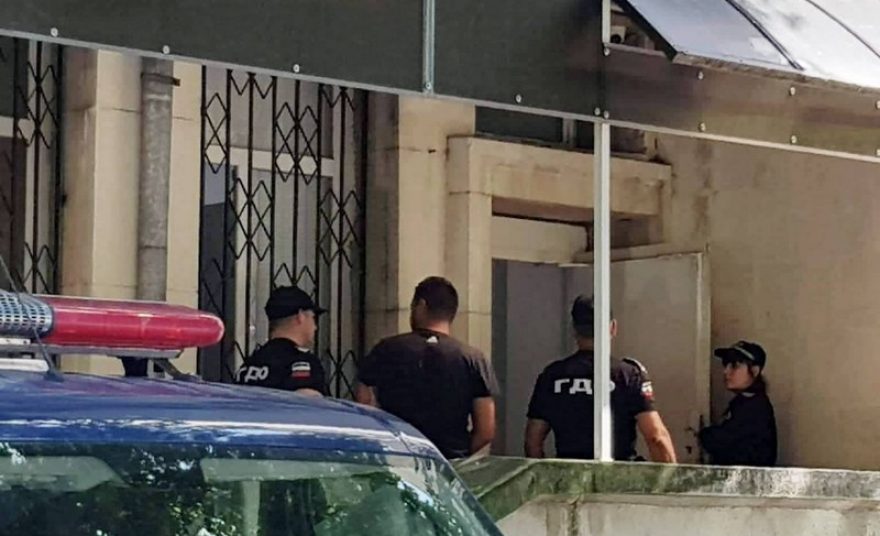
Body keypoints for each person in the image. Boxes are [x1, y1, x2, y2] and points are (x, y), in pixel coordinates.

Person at [355, 276, 498, 459]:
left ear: (421, 305)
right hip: (449, 460)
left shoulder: (385, 350)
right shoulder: (473, 359)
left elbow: (364, 402)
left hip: (397, 456)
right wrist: (456, 455)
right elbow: (486, 429)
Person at [524, 295, 677, 462]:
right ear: (613, 328)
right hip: (618, 475)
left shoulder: (552, 376)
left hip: (570, 475)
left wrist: (548, 476)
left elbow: (533, 442)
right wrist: (673, 478)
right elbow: (656, 437)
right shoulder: (627, 375)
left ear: (574, 330)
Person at [235, 285, 327, 397]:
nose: (315, 327)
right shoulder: (301, 363)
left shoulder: (249, 366)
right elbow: (309, 403)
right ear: (301, 316)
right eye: (313, 318)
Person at [699, 341, 777, 466]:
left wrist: (706, 434)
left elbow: (724, 442)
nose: (726, 371)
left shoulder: (755, 408)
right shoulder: (741, 403)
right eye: (726, 364)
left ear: (754, 371)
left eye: (735, 365)